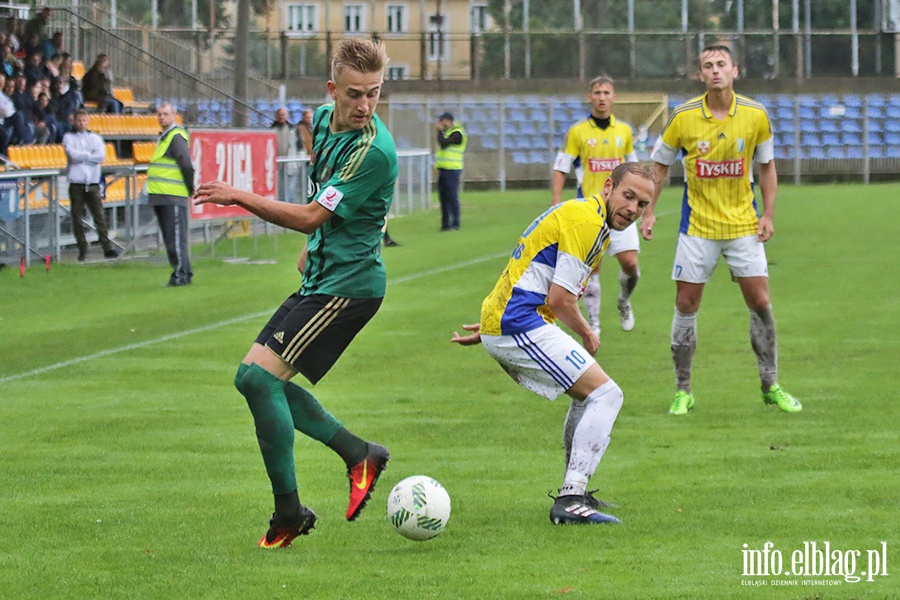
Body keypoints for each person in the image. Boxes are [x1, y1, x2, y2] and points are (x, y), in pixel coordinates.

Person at [192, 38, 399, 549]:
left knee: (257, 380)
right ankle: (358, 454)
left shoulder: (374, 150)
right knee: (256, 382)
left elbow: (311, 213)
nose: (365, 105)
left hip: (349, 287)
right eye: (355, 93)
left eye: (374, 94)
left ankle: (289, 511)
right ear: (333, 90)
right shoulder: (324, 120)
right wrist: (315, 243)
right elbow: (319, 196)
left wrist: (239, 195)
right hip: (324, 277)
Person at [451, 162, 655, 525]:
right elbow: (561, 299)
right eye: (628, 196)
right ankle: (571, 498)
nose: (633, 209)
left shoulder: (588, 218)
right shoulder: (587, 222)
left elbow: (525, 270)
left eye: (642, 204)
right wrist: (587, 332)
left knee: (588, 394)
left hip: (512, 320)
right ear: (608, 186)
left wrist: (488, 325)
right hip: (519, 325)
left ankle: (573, 492)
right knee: (608, 395)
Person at [640, 44, 802, 416]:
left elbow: (767, 167)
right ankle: (683, 391)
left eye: (721, 64)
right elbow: (659, 167)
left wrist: (769, 215)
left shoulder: (756, 114)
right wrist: (648, 212)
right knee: (686, 305)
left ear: (735, 70)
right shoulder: (682, 116)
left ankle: (770, 384)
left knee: (760, 302)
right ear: (700, 75)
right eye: (707, 66)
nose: (715, 71)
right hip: (697, 228)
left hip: (744, 224)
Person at [552, 75, 640, 336]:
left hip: (623, 210)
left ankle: (624, 300)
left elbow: (635, 169)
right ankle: (594, 323)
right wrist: (556, 203)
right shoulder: (577, 132)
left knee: (631, 265)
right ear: (589, 97)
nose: (602, 97)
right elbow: (560, 169)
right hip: (592, 211)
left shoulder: (624, 131)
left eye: (606, 92)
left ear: (614, 97)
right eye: (597, 93)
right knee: (592, 270)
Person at [62, 110, 119, 261]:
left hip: (93, 183)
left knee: (99, 216)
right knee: (77, 218)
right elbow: (72, 156)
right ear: (74, 121)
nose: (81, 123)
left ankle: (106, 247)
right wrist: (89, 155)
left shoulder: (95, 138)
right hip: (77, 183)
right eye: (79, 120)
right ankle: (83, 248)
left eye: (84, 120)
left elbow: (100, 156)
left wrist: (82, 155)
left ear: (88, 121)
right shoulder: (69, 137)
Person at [148, 102, 194, 286]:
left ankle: (181, 273)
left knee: (175, 238)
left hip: (172, 195)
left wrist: (190, 187)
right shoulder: (165, 137)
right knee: (171, 238)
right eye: (159, 114)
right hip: (162, 195)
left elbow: (186, 164)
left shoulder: (176, 136)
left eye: (165, 114)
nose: (161, 117)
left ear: (174, 115)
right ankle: (182, 271)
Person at [435, 112, 466, 231]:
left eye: (441, 121)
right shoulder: (447, 132)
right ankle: (445, 224)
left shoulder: (458, 133)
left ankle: (455, 223)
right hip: (443, 169)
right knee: (443, 197)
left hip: (453, 169)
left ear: (448, 121)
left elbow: (443, 143)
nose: (440, 124)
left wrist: (439, 131)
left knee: (452, 196)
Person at [271, 106, 300, 203]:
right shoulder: (271, 130)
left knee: (291, 190)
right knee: (280, 190)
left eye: (283, 115)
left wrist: (299, 162)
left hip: (291, 165)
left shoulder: (293, 129)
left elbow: (300, 146)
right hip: (277, 165)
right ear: (276, 116)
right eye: (279, 115)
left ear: (287, 116)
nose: (281, 117)